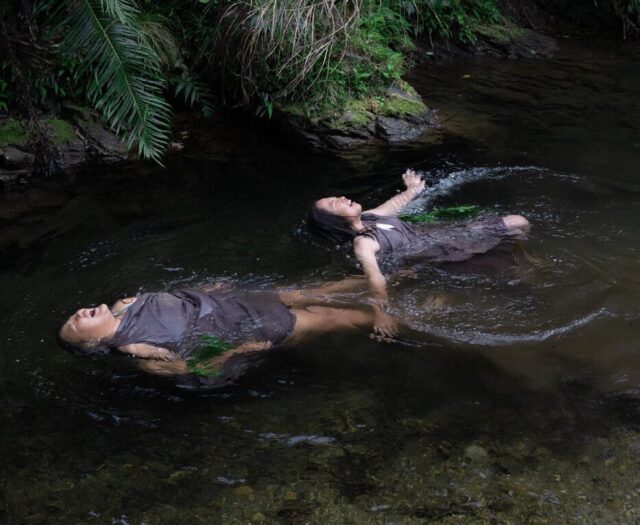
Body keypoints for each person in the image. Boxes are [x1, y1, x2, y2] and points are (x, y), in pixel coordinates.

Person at [306, 169, 531, 337]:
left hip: (443, 233)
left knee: (519, 223)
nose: (343, 198)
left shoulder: (369, 217)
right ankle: (519, 266)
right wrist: (380, 313)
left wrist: (411, 190)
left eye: (337, 197)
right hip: (437, 251)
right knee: (512, 231)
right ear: (334, 221)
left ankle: (524, 256)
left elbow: (393, 206)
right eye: (336, 204)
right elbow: (375, 279)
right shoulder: (363, 243)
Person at [58, 278, 389, 384]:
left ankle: (389, 281)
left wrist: (209, 289)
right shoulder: (137, 349)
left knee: (327, 287)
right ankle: (403, 316)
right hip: (251, 327)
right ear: (93, 341)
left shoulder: (122, 305)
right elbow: (195, 366)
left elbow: (174, 299)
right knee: (333, 315)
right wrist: (242, 350)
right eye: (75, 324)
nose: (76, 314)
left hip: (239, 301)